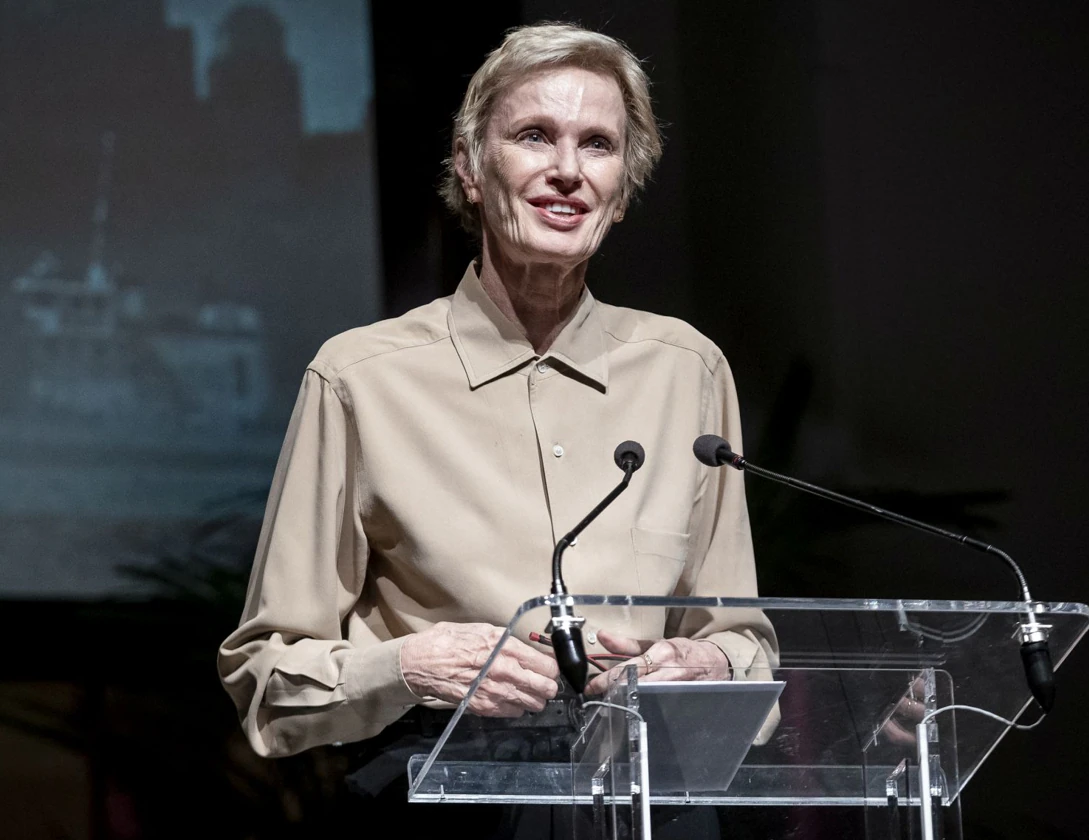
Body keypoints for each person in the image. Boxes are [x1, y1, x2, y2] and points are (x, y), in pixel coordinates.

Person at [218, 21, 776, 796]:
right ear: (471, 168)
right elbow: (267, 675)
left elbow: (741, 640)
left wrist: (710, 663)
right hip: (444, 788)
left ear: (622, 191)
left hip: (650, 792)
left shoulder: (688, 371)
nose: (567, 172)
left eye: (598, 146)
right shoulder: (361, 378)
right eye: (534, 137)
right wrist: (411, 667)